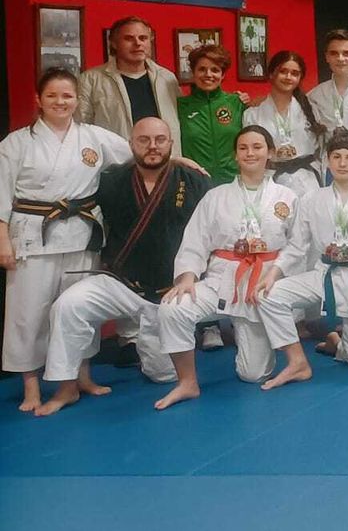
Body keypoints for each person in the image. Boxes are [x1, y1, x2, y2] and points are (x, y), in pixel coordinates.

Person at [36, 117, 208, 416]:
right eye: (143, 140)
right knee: (68, 305)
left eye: (160, 140)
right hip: (122, 284)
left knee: (163, 375)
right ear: (130, 145)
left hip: (170, 293)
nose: (152, 146)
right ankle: (66, 387)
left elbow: (212, 232)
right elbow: (70, 188)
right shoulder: (111, 180)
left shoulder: (195, 181)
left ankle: (148, 341)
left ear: (171, 143)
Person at [0, 70, 135, 411]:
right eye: (52, 96)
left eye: (67, 96)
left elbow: (139, 156)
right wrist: (3, 241)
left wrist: (176, 160)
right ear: (39, 100)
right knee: (28, 313)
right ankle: (31, 385)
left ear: (77, 100)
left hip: (81, 234)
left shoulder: (92, 137)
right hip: (33, 236)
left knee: (79, 309)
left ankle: (82, 375)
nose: (60, 102)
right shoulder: (15, 143)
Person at [153, 126, 297, 410]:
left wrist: (277, 274)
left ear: (270, 153)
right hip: (221, 277)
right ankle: (187, 382)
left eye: (257, 147)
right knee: (173, 307)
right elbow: (195, 240)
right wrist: (187, 276)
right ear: (235, 155)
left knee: (253, 374)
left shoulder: (287, 197)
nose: (250, 153)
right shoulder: (215, 196)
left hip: (261, 283)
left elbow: (298, 245)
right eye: (243, 148)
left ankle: (255, 336)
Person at [255, 129, 348, 388]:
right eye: (337, 156)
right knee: (268, 295)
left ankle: (337, 342)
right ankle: (297, 361)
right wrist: (273, 274)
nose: (343, 163)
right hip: (324, 273)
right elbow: (297, 245)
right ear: (327, 161)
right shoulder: (310, 199)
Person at [76, 16, 184, 151]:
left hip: (166, 164)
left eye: (143, 38)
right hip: (117, 165)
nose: (137, 43)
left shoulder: (167, 78)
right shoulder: (91, 80)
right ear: (114, 43)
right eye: (129, 38)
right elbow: (81, 129)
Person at [244, 51, 327, 198]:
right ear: (271, 74)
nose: (289, 77)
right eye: (283, 71)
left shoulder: (312, 108)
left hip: (307, 180)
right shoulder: (253, 113)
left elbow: (321, 147)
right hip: (270, 179)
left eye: (295, 73)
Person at [176, 43, 247, 183]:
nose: (208, 75)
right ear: (193, 72)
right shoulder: (180, 106)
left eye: (215, 70)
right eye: (202, 69)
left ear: (223, 74)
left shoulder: (237, 103)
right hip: (195, 181)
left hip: (233, 181)